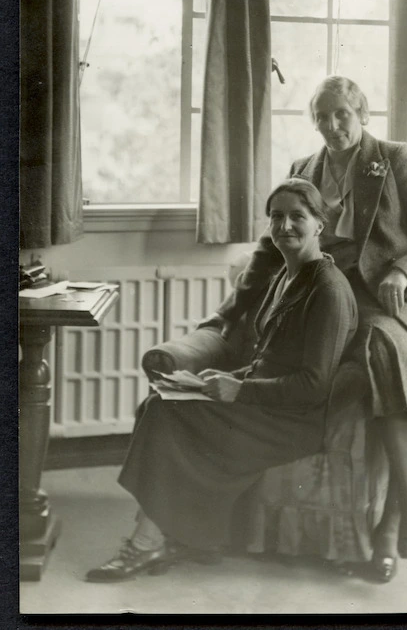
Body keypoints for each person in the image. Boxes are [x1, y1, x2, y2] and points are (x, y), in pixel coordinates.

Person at [203, 75, 407, 583]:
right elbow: (268, 245)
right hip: (343, 300)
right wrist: (231, 310)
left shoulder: (395, 159)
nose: (332, 125)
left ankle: (396, 521)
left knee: (387, 350)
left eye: (342, 113)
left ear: (362, 112)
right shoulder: (305, 169)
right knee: (376, 344)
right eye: (322, 116)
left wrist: (404, 270)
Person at [86, 178, 358, 583]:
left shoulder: (328, 289)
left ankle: (147, 542)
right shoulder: (284, 276)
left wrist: (239, 390)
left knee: (164, 414)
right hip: (264, 403)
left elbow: (313, 385)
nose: (285, 226)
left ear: (320, 223)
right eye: (276, 217)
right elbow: (269, 357)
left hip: (294, 422)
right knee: (157, 403)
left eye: (297, 217)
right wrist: (218, 378)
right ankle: (180, 533)